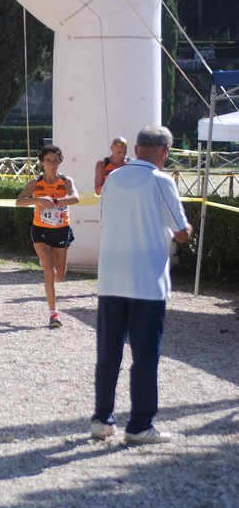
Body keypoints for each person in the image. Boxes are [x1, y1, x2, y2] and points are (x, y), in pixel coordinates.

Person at [90, 125, 193, 444]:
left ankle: (101, 419)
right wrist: (188, 228)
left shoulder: (113, 179)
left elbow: (106, 221)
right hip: (147, 282)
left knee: (108, 354)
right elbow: (180, 232)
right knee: (145, 357)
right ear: (165, 152)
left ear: (135, 149)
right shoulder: (162, 180)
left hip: (110, 278)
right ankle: (139, 425)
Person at [16, 144, 80, 328]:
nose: (52, 164)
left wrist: (56, 201)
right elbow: (19, 201)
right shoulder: (35, 183)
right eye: (48, 161)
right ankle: (54, 314)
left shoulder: (66, 181)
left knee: (60, 276)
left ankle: (48, 263)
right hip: (40, 230)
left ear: (59, 162)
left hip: (61, 230)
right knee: (49, 272)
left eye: (55, 160)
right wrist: (37, 200)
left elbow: (75, 198)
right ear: (41, 163)